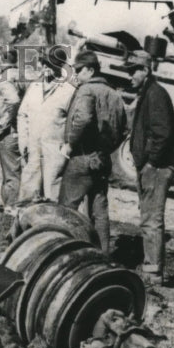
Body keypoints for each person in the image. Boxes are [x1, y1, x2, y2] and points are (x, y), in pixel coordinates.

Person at [59, 50, 126, 254]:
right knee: (100, 211)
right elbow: (124, 128)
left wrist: (70, 144)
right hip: (102, 159)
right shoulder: (115, 94)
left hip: (82, 157)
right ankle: (102, 255)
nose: (76, 75)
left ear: (90, 69)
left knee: (65, 210)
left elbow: (83, 119)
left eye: (78, 70)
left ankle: (63, 253)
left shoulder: (87, 90)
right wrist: (106, 150)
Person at [123, 50, 174, 286]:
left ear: (146, 70)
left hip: (157, 168)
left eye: (134, 70)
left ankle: (153, 273)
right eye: (129, 71)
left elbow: (163, 134)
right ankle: (150, 266)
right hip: (152, 167)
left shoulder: (155, 94)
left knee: (151, 219)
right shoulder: (149, 92)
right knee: (148, 217)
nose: (130, 76)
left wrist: (150, 163)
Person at [17, 51, 75, 204]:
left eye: (51, 65)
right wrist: (23, 141)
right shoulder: (34, 87)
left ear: (60, 67)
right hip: (33, 146)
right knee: (29, 191)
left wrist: (66, 147)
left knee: (52, 194)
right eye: (44, 64)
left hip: (55, 149)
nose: (46, 67)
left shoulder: (68, 91)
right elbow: (22, 115)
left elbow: (73, 121)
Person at [0, 48, 24, 207]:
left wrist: (4, 125)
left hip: (9, 133)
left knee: (11, 175)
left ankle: (11, 208)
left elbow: (14, 101)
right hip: (19, 131)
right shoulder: (20, 75)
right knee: (16, 172)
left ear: (2, 58)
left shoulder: (5, 78)